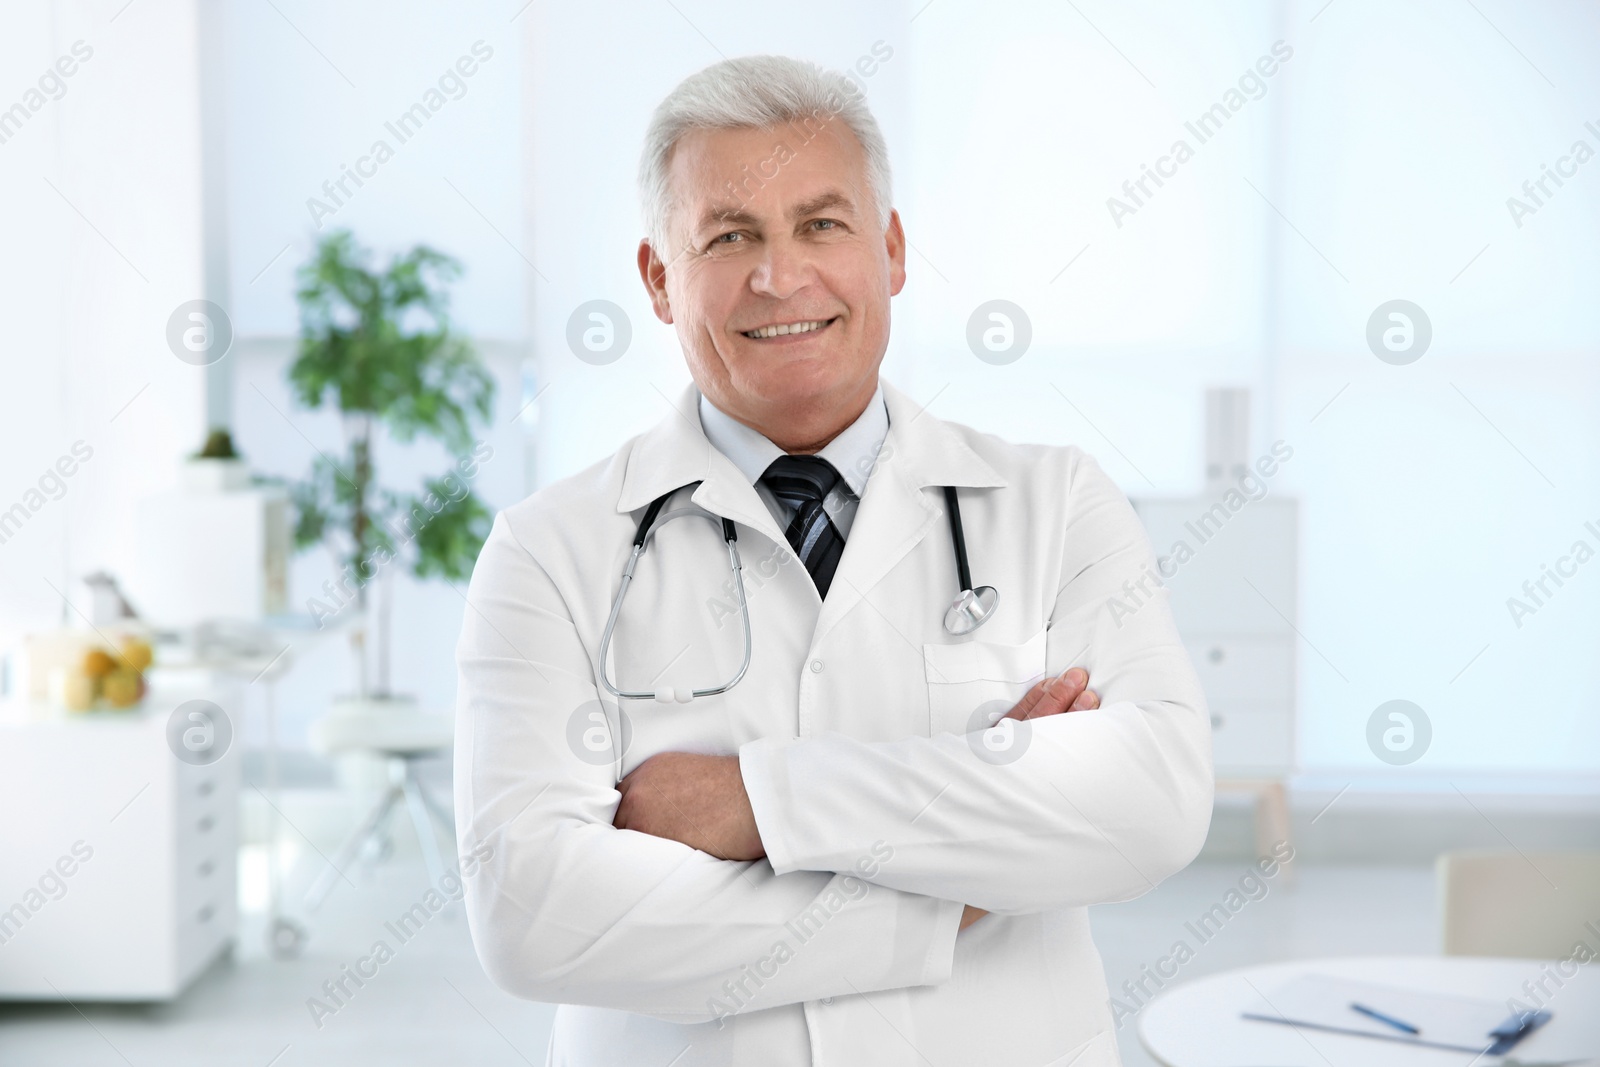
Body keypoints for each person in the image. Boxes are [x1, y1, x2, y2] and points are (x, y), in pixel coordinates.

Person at [455, 53, 1213, 1067]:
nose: (780, 276)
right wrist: (954, 893)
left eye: (822, 224)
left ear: (891, 250)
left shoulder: (1055, 502)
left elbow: (1148, 802)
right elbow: (533, 913)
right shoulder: (550, 550)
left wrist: (753, 801)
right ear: (657, 279)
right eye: (729, 236)